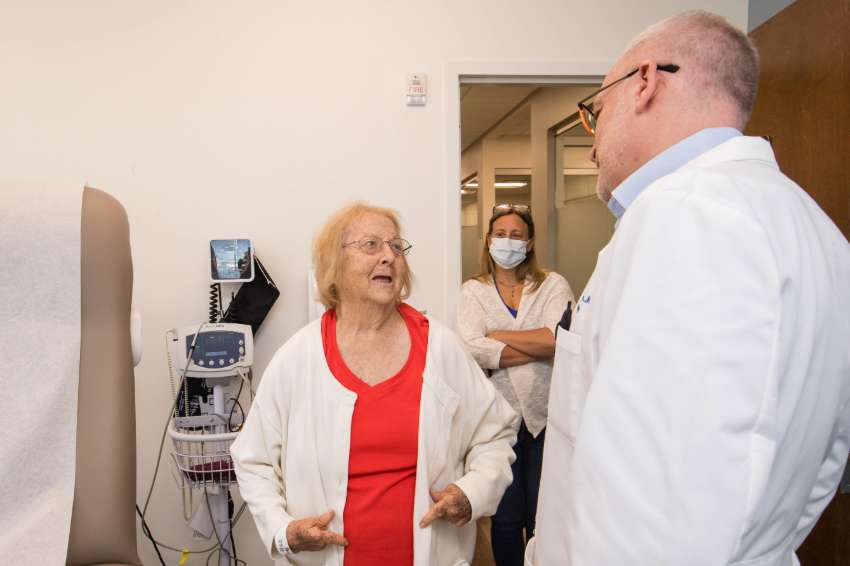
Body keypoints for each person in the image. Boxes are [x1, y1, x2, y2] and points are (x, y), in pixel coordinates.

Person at [528, 10, 850, 566]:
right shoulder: (814, 227)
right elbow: (826, 461)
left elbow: (651, 515)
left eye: (595, 113)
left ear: (645, 82)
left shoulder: (687, 215)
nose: (592, 142)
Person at [231, 202, 519, 566]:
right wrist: (283, 530)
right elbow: (252, 459)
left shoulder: (439, 348)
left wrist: (472, 492)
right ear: (334, 264)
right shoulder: (298, 358)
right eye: (371, 245)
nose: (388, 257)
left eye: (396, 246)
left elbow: (495, 434)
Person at [457, 204, 573, 566]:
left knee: (544, 516)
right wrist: (539, 347)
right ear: (489, 240)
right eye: (501, 234)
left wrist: (496, 336)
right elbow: (472, 347)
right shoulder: (473, 291)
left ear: (530, 241)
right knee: (505, 520)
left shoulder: (552, 284)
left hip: (547, 417)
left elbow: (559, 339)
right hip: (498, 420)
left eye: (517, 234)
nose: (508, 241)